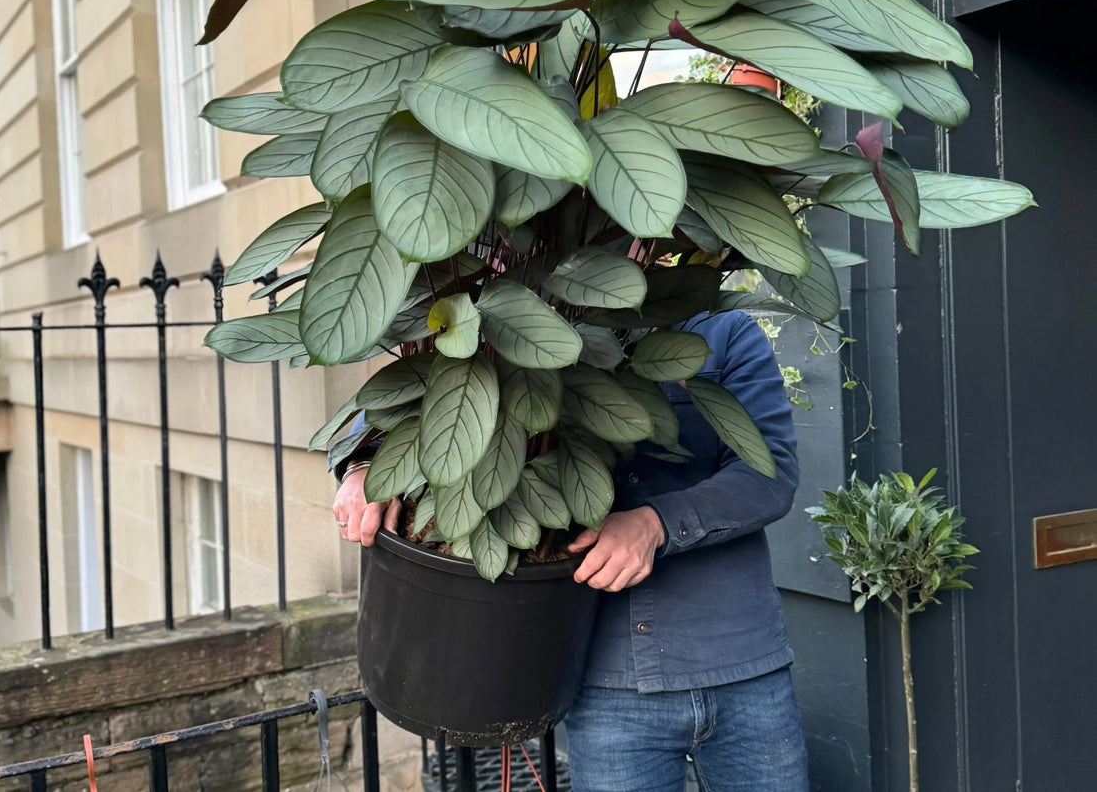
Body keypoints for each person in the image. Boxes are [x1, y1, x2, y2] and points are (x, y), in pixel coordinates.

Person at [332, 307, 808, 791]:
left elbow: (769, 475)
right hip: (606, 679)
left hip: (743, 664)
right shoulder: (533, 312)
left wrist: (656, 524)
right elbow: (410, 397)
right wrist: (363, 465)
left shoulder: (724, 332)